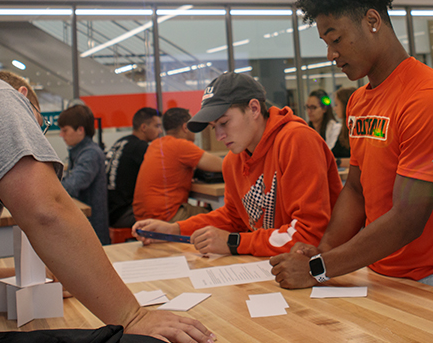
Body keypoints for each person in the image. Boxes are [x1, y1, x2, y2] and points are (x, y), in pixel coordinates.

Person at [0, 71, 215, 343]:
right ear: (23, 99)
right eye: (42, 125)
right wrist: (134, 316)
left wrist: (36, 281)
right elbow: (48, 211)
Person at [271, 0, 433, 289]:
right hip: (377, 273)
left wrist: (318, 267)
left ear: (372, 21)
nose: (331, 54)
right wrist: (325, 248)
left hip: (426, 279)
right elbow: (357, 190)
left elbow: (408, 220)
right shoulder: (359, 101)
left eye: (336, 39)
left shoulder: (424, 98)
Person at [133, 72, 342, 257]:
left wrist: (234, 243)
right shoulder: (233, 161)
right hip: (275, 266)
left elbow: (309, 235)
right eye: (214, 127)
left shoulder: (296, 140)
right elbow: (234, 217)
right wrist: (175, 230)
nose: (219, 135)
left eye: (224, 123)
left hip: (322, 268)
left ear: (253, 108)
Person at [133, 108, 223, 223]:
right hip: (165, 216)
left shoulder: (156, 144)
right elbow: (222, 165)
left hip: (143, 217)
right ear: (185, 127)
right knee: (220, 217)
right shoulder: (181, 145)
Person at [58, 103, 110, 245]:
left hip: (93, 231)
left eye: (65, 130)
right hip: (85, 226)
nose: (61, 135)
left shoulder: (90, 154)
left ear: (80, 130)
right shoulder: (79, 152)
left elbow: (71, 186)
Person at [106, 107, 162, 228]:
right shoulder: (140, 148)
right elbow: (162, 174)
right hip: (123, 214)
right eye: (157, 126)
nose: (160, 130)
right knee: (168, 216)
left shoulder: (121, 142)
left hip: (109, 211)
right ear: (143, 127)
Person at [331, 87, 356, 159]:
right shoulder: (343, 129)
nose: (334, 108)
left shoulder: (356, 128)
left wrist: (338, 162)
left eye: (336, 105)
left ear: (345, 105)